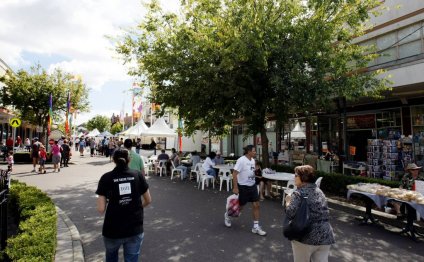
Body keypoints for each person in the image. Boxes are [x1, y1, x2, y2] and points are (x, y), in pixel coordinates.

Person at [96, 148, 151, 262]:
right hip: (134, 227)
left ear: (113, 160)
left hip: (112, 229)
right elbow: (148, 200)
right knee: (132, 258)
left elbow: (101, 209)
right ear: (129, 160)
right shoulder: (137, 175)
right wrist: (136, 207)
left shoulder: (106, 177)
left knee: (111, 258)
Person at [285, 165, 335, 262]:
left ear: (303, 177)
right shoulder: (319, 191)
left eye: (296, 175)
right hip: (325, 235)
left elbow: (290, 214)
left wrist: (287, 201)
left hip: (305, 236)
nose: (294, 177)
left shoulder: (298, 193)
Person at [225, 145, 266, 236]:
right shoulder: (241, 160)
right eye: (254, 151)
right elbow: (235, 174)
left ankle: (256, 227)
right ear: (249, 152)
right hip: (243, 187)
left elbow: (250, 172)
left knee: (256, 205)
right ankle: (228, 216)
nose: (255, 152)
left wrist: (255, 177)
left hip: (252, 186)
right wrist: (235, 187)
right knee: (240, 208)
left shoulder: (252, 160)